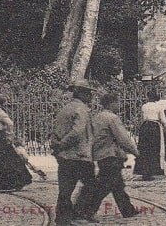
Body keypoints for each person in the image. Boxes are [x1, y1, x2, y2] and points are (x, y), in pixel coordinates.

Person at [75, 91, 140, 220]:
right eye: (117, 102)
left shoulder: (97, 117)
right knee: (104, 187)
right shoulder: (112, 118)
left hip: (100, 155)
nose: (118, 105)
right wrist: (136, 152)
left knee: (117, 186)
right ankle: (85, 210)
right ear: (111, 103)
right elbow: (123, 139)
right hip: (111, 155)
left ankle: (128, 210)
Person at [50, 80, 96, 226]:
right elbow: (77, 131)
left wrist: (57, 146)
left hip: (65, 157)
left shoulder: (65, 109)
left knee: (65, 190)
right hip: (80, 156)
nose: (91, 96)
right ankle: (79, 214)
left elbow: (56, 131)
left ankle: (62, 220)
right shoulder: (81, 109)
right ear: (81, 93)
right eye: (88, 93)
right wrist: (63, 144)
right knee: (92, 186)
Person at [133, 90, 166, 180]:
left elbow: (143, 118)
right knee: (154, 149)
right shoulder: (159, 106)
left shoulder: (144, 106)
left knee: (144, 149)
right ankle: (153, 171)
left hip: (145, 126)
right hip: (154, 127)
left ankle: (144, 172)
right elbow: (163, 119)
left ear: (148, 97)